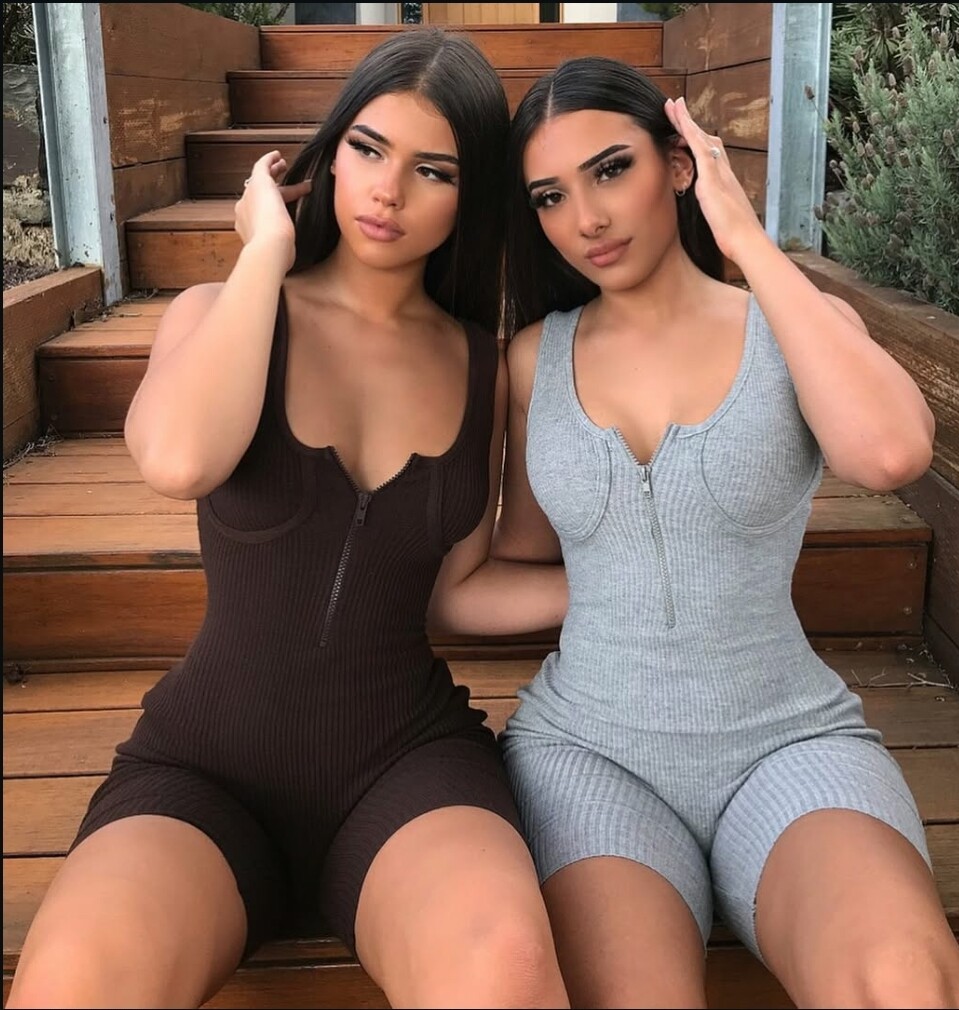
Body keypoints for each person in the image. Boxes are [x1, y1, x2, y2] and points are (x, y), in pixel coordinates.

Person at [7, 29, 570, 1010]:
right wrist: (264, 254)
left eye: (432, 169)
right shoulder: (218, 313)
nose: (387, 190)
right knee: (73, 984)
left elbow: (456, 592)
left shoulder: (482, 366)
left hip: (405, 761)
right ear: (330, 151)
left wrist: (635, 576)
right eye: (367, 147)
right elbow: (179, 459)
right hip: (207, 764)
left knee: (507, 971)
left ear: (469, 194)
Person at [491, 56, 959, 1009]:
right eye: (550, 196)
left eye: (610, 170)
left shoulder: (792, 325)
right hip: (590, 752)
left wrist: (747, 240)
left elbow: (890, 452)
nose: (585, 218)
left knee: (906, 984)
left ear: (680, 165)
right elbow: (509, 563)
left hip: (786, 741)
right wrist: (620, 587)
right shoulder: (532, 360)